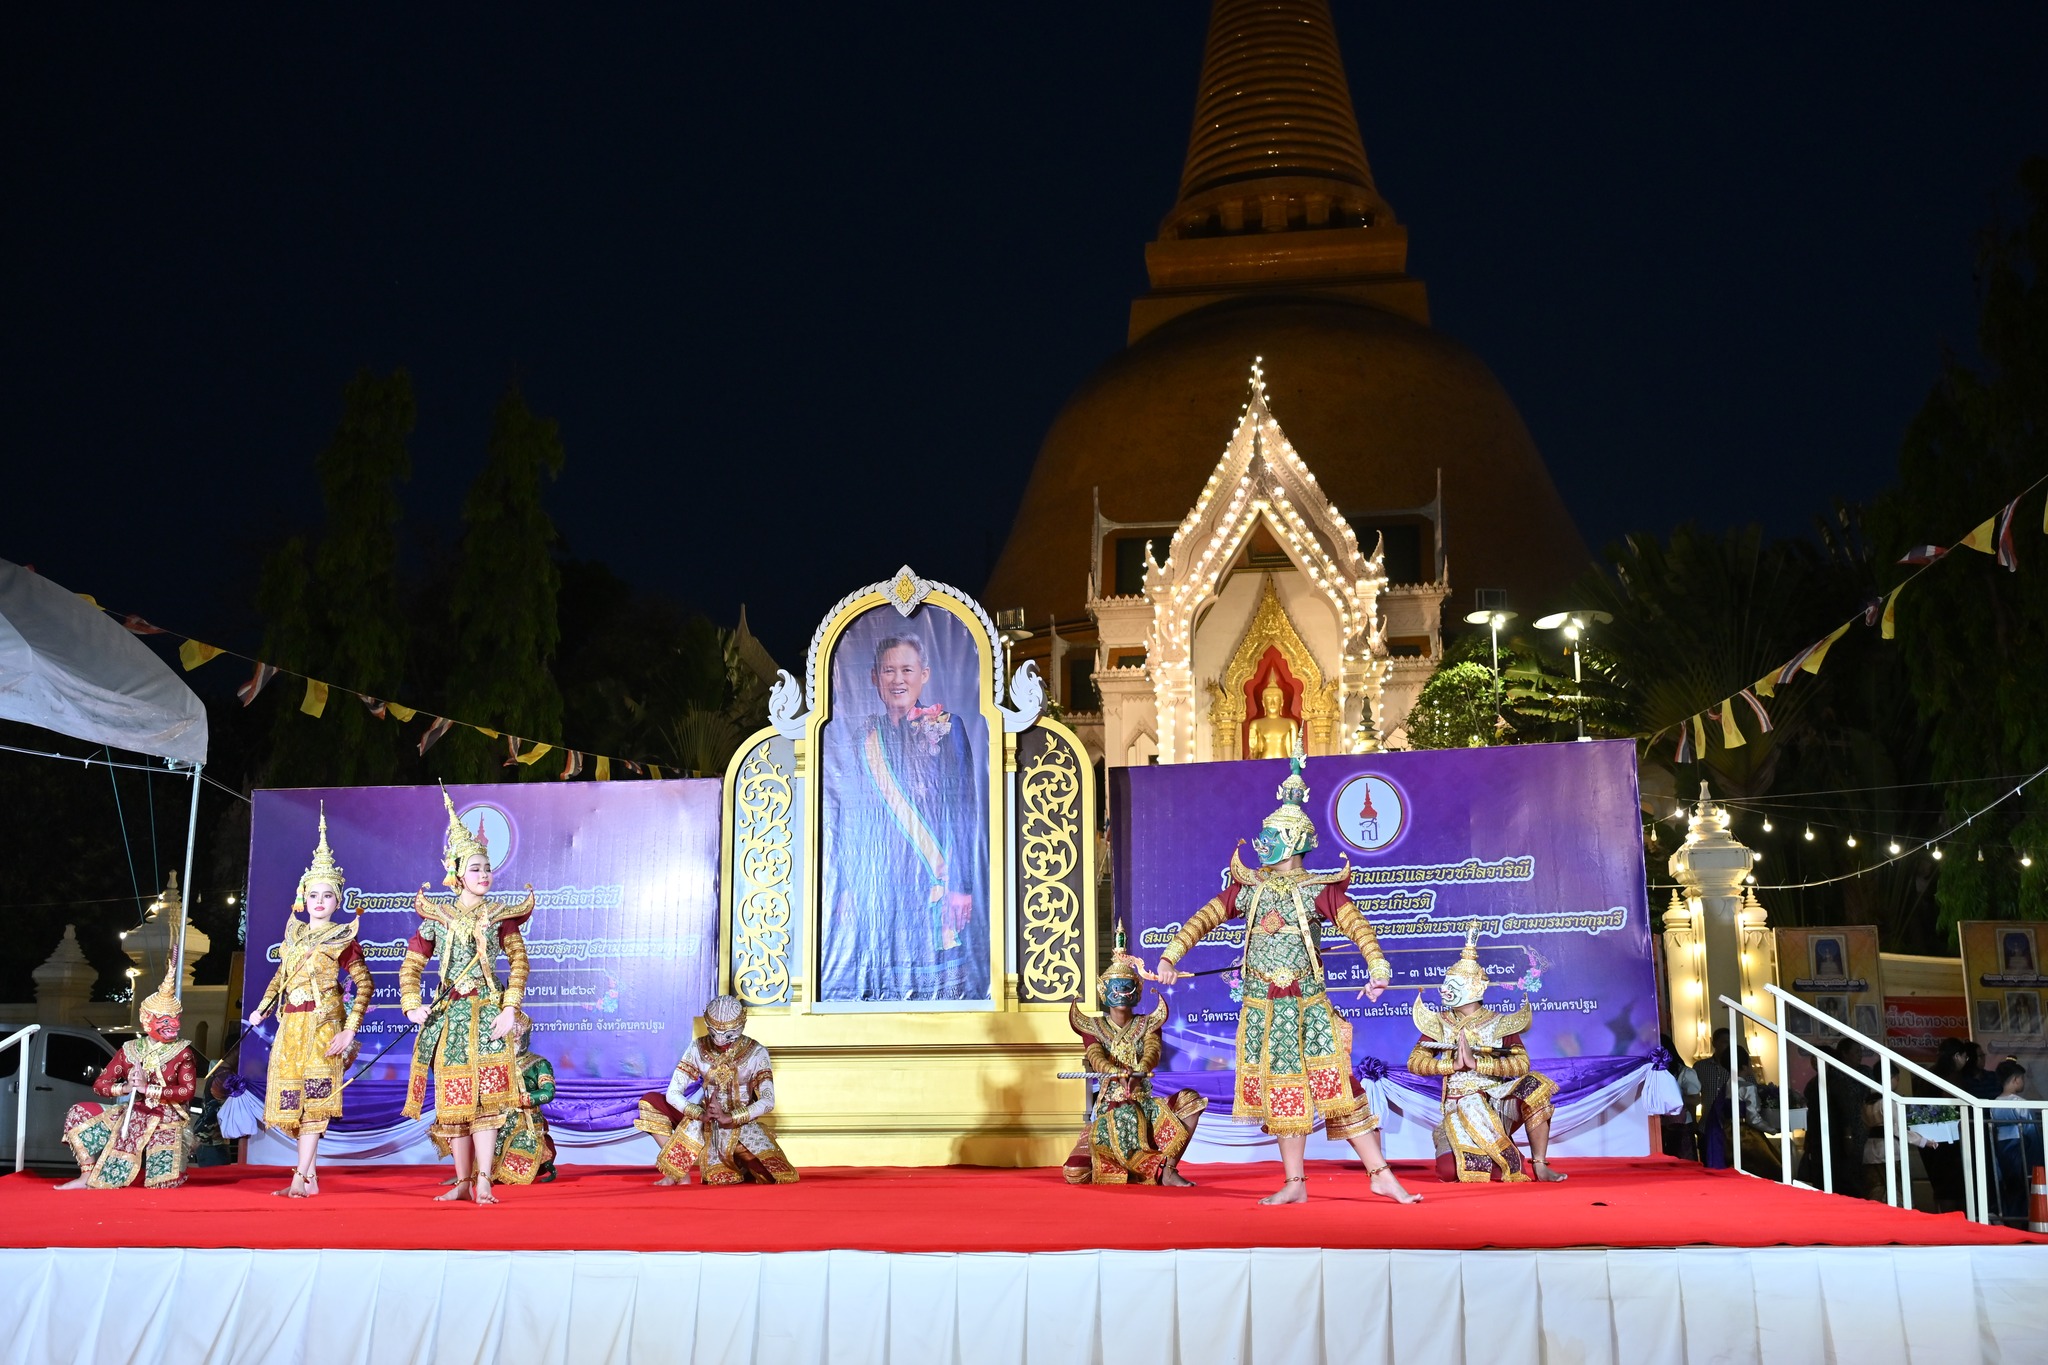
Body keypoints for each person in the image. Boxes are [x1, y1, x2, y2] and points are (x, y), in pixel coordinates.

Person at [1151, 737, 1419, 1206]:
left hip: (1308, 1005)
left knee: (1338, 1085)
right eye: (1263, 835)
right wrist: (1170, 957)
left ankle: (1380, 1174)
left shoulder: (1319, 888)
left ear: (1293, 842)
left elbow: (1358, 928)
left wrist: (1377, 967)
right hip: (1262, 1009)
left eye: (1271, 836)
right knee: (1281, 1092)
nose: (1262, 844)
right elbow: (1203, 918)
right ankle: (1295, 1183)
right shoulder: (1249, 886)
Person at [820, 632, 988, 1002]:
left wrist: (961, 886)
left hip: (935, 879)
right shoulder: (864, 738)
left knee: (940, 989)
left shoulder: (948, 727)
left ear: (924, 674)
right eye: (889, 670)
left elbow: (964, 811)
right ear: (874, 677)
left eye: (907, 670)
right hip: (881, 884)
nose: (898, 679)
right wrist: (845, 886)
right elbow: (849, 818)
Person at [398, 788, 534, 1205]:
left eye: (487, 868)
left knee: (488, 1103)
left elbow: (519, 962)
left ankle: (485, 1181)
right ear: (456, 873)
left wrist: (510, 1008)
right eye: (475, 868)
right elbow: (411, 966)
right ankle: (461, 1183)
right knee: (455, 1103)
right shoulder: (437, 917)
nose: (484, 874)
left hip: (488, 1013)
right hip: (450, 1017)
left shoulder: (500, 916)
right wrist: (412, 1004)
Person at [246, 805, 373, 1197]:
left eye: (327, 895)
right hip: (290, 1028)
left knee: (317, 1102)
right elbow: (280, 979)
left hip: (323, 1028)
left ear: (338, 900)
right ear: (303, 897)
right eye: (313, 894)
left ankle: (299, 1177)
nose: (319, 901)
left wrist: (348, 1031)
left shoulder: (342, 938)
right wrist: (262, 1008)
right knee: (293, 1104)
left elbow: (364, 985)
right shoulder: (293, 937)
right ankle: (310, 1177)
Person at [1406, 923, 1566, 1183]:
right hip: (1457, 1109)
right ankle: (1493, 1147)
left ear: (1474, 988)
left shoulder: (1499, 1023)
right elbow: (1415, 1062)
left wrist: (1477, 1064)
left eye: (1453, 984)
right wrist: (1452, 1066)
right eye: (1445, 984)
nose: (1445, 990)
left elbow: (1522, 1063)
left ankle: (1540, 1164)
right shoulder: (1440, 1022)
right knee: (1451, 1172)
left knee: (1534, 1085)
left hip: (1495, 1104)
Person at [1063, 932, 1206, 1186]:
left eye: (1127, 985)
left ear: (1138, 990)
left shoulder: (1148, 1023)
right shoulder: (1093, 1026)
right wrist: (1113, 1072)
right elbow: (1095, 1056)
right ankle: (1123, 1163)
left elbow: (1153, 1051)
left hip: (1144, 1108)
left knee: (1190, 1100)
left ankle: (1168, 1170)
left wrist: (1140, 1070)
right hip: (1109, 1111)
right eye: (1115, 986)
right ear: (1103, 990)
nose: (1121, 992)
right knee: (1076, 1173)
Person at [56, 965, 197, 1190]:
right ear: (147, 1019)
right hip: (132, 1113)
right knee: (79, 1112)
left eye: (176, 1018)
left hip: (167, 1118)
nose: (174, 1025)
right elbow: (100, 1084)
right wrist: (126, 1088)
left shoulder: (182, 1051)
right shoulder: (130, 1049)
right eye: (165, 1020)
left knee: (162, 1184)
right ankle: (86, 1175)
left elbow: (187, 1091)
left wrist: (147, 1088)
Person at [635, 994, 798, 1185]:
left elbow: (768, 1101)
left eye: (727, 1035)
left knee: (775, 1176)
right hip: (704, 1121)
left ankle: (740, 1164)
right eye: (714, 1033)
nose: (720, 1040)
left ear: (741, 1026)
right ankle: (677, 1174)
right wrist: (700, 1114)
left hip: (739, 1127)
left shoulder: (756, 1052)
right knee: (650, 1102)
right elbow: (673, 1093)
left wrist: (731, 1117)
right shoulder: (698, 1047)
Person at [491, 1011, 557, 1185]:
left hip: (525, 1121)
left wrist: (521, 1099)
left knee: (511, 1173)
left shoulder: (538, 1063)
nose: (513, 1040)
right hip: (496, 1120)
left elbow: (548, 1092)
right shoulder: (494, 1062)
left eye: (517, 1036)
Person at [1988, 1059, 2043, 1224]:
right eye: (2022, 1078)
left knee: (2009, 1188)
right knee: (2023, 1188)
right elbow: (2031, 1132)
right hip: (2021, 1149)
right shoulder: (2020, 1104)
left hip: (2001, 1150)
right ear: (2015, 1079)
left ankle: (2009, 1220)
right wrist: (2039, 1159)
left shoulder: (1993, 1103)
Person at [1245, 680, 1300, 761]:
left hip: (1285, 763)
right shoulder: (1255, 724)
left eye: (1276, 700)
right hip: (1263, 763)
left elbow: (1295, 752)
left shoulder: (1291, 724)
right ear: (1263, 703)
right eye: (1268, 700)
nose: (1272, 704)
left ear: (1282, 703)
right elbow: (1253, 751)